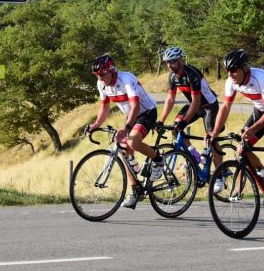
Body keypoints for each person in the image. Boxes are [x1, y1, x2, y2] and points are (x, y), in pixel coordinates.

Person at [209, 49, 264, 216]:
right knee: (242, 148)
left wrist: (252, 129)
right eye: (227, 70)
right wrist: (214, 133)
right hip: (260, 110)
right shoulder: (231, 82)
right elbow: (225, 107)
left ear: (245, 68)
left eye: (233, 70)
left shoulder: (261, 78)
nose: (230, 74)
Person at [87, 53, 164, 209]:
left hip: (146, 112)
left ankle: (158, 160)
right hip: (131, 115)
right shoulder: (101, 84)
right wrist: (95, 124)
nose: (100, 78)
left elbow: (135, 106)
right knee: (123, 149)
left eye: (102, 74)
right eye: (97, 75)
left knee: (133, 141)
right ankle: (136, 190)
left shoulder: (126, 79)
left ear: (112, 70)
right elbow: (104, 108)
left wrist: (127, 128)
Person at [158, 46, 224, 192]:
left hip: (208, 107)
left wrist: (185, 121)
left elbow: (196, 101)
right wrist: (161, 120)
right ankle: (195, 157)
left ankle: (220, 175)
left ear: (181, 60)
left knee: (212, 139)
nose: (169, 65)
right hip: (195, 106)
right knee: (175, 130)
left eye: (173, 61)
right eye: (167, 62)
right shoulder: (172, 77)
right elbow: (170, 99)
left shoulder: (192, 74)